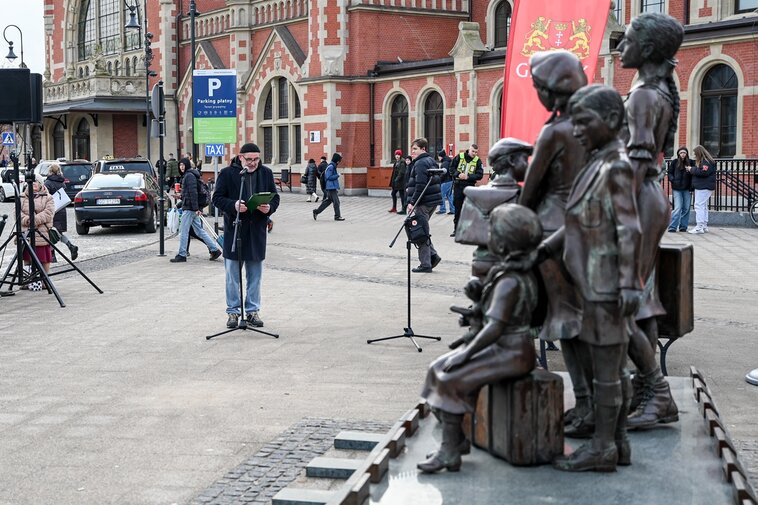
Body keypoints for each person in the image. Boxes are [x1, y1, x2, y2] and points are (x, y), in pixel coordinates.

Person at [542, 84, 642, 472]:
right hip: (590, 282)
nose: (577, 130)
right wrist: (544, 249)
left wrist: (630, 281)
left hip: (605, 284)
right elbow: (574, 221)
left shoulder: (615, 164)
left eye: (584, 122)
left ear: (613, 121)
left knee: (607, 371)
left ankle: (604, 446)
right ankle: (618, 442)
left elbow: (629, 228)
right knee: (611, 368)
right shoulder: (596, 163)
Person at [417, 204, 541, 473]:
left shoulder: (510, 280)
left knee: (451, 378)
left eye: (492, 233)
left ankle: (449, 452)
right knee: (435, 369)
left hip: (512, 352)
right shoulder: (507, 271)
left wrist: (466, 352)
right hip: (502, 347)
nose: (488, 238)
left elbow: (495, 329)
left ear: (505, 242)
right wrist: (478, 301)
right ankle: (458, 440)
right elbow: (491, 316)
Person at [518, 49, 589, 437]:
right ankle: (589, 402)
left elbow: (530, 192)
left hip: (552, 233)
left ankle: (586, 402)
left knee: (565, 323)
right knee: (577, 324)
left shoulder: (555, 131)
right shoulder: (593, 126)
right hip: (586, 231)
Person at [617, 12, 682, 431]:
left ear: (649, 49)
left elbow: (638, 159)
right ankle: (647, 389)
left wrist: (612, 209)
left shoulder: (644, 96)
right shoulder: (654, 89)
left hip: (638, 200)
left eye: (626, 40)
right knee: (638, 299)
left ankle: (657, 392)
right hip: (649, 199)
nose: (620, 47)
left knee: (621, 299)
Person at [212, 143, 280, 328]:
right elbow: (216, 198)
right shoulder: (228, 174)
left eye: (256, 159)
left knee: (255, 275)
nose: (252, 163)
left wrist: (269, 208)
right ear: (240, 157)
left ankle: (252, 311)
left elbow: (275, 197)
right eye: (249, 159)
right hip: (235, 231)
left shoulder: (265, 173)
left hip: (257, 230)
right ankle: (233, 312)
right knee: (232, 276)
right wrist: (233, 205)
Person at [170, 158, 222, 263]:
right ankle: (214, 249)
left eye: (183, 165)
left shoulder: (189, 176)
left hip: (190, 209)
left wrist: (196, 208)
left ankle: (182, 254)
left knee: (184, 231)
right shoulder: (190, 175)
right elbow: (189, 194)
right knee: (199, 231)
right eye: (180, 165)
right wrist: (181, 198)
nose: (181, 167)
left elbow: (193, 194)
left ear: (187, 165)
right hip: (191, 208)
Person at [405, 137, 442, 273]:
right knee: (423, 230)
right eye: (412, 149)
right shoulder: (431, 160)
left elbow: (420, 185)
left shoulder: (420, 163)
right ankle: (433, 256)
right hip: (432, 201)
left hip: (423, 202)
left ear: (423, 149)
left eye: (415, 149)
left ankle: (426, 264)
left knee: (419, 232)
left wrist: (412, 202)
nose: (412, 152)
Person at [20, 174, 56, 282]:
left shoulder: (48, 197)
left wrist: (34, 220)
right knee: (27, 257)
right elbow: (17, 212)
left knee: (43, 258)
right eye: (32, 182)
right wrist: (27, 220)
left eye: (37, 182)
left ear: (41, 184)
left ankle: (44, 280)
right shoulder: (22, 197)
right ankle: (28, 280)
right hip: (26, 232)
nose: (34, 184)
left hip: (42, 232)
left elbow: (49, 213)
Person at [43, 164, 79, 260]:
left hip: (52, 210)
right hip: (61, 209)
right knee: (57, 233)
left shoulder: (47, 183)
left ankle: (53, 255)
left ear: (50, 171)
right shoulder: (62, 181)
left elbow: (45, 197)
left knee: (50, 233)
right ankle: (70, 246)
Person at [450, 144, 483, 236]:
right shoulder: (459, 157)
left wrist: (468, 177)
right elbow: (451, 168)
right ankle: (457, 230)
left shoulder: (478, 161)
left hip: (470, 186)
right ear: (469, 150)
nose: (474, 153)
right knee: (458, 208)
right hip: (458, 186)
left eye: (476, 152)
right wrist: (458, 174)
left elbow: (480, 175)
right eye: (473, 151)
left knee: (470, 209)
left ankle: (469, 230)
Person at [689, 145, 716, 234]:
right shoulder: (707, 161)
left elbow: (703, 172)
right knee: (703, 206)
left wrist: (691, 169)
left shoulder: (706, 162)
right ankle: (704, 225)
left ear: (699, 153)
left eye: (695, 154)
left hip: (703, 186)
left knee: (699, 205)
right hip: (704, 186)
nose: (694, 155)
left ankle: (699, 227)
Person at [667, 147, 694, 232]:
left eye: (684, 153)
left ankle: (683, 226)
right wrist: (673, 180)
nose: (683, 154)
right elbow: (670, 172)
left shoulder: (691, 162)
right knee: (678, 208)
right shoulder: (674, 162)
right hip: (677, 188)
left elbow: (694, 175)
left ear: (687, 154)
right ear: (678, 153)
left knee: (686, 208)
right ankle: (672, 226)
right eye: (681, 152)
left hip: (687, 188)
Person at [313, 153, 345, 221]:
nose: (339, 162)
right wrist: (337, 175)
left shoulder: (332, 166)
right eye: (339, 160)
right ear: (336, 160)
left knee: (328, 201)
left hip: (331, 187)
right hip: (331, 187)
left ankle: (316, 211)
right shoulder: (331, 167)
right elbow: (328, 177)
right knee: (336, 202)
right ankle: (337, 216)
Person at [437, 149, 454, 215]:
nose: (438, 158)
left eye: (438, 156)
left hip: (446, 181)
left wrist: (439, 179)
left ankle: (442, 209)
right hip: (450, 180)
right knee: (450, 195)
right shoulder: (448, 161)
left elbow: (443, 173)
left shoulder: (445, 163)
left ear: (441, 156)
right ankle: (453, 209)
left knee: (442, 195)